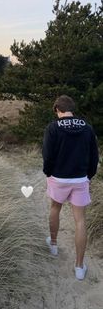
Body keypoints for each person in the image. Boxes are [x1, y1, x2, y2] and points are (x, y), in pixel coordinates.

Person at [42, 95, 99, 280]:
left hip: (58, 177)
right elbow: (94, 156)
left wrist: (48, 172)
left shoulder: (53, 127)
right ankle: (79, 267)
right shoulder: (87, 128)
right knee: (80, 221)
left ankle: (53, 245)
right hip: (80, 179)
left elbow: (48, 155)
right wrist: (88, 175)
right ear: (72, 109)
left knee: (55, 208)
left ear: (57, 109)